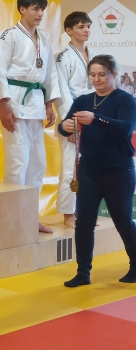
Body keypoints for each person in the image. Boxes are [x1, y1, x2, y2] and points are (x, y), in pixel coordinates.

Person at [59, 54, 136, 287]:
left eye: (102, 75)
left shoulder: (125, 100)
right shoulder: (83, 100)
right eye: (92, 75)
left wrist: (96, 119)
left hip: (119, 170)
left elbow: (125, 128)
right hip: (89, 170)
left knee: (123, 220)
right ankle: (83, 272)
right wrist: (65, 126)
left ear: (114, 75)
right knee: (84, 222)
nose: (97, 79)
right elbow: (64, 127)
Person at [0, 0, 60, 234]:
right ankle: (12, 220)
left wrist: (49, 103)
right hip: (15, 102)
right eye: (35, 9)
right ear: (22, 9)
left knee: (38, 163)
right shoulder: (8, 35)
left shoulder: (44, 37)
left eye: (42, 9)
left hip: (36, 102)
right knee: (18, 162)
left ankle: (30, 216)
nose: (40, 13)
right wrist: (3, 105)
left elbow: (49, 72)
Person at [54, 11, 96, 228]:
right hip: (72, 119)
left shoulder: (93, 55)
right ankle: (68, 212)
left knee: (89, 167)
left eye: (88, 26)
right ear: (68, 31)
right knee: (71, 167)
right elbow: (62, 92)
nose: (86, 30)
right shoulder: (63, 57)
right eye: (80, 27)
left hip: (90, 118)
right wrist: (70, 124)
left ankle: (84, 211)